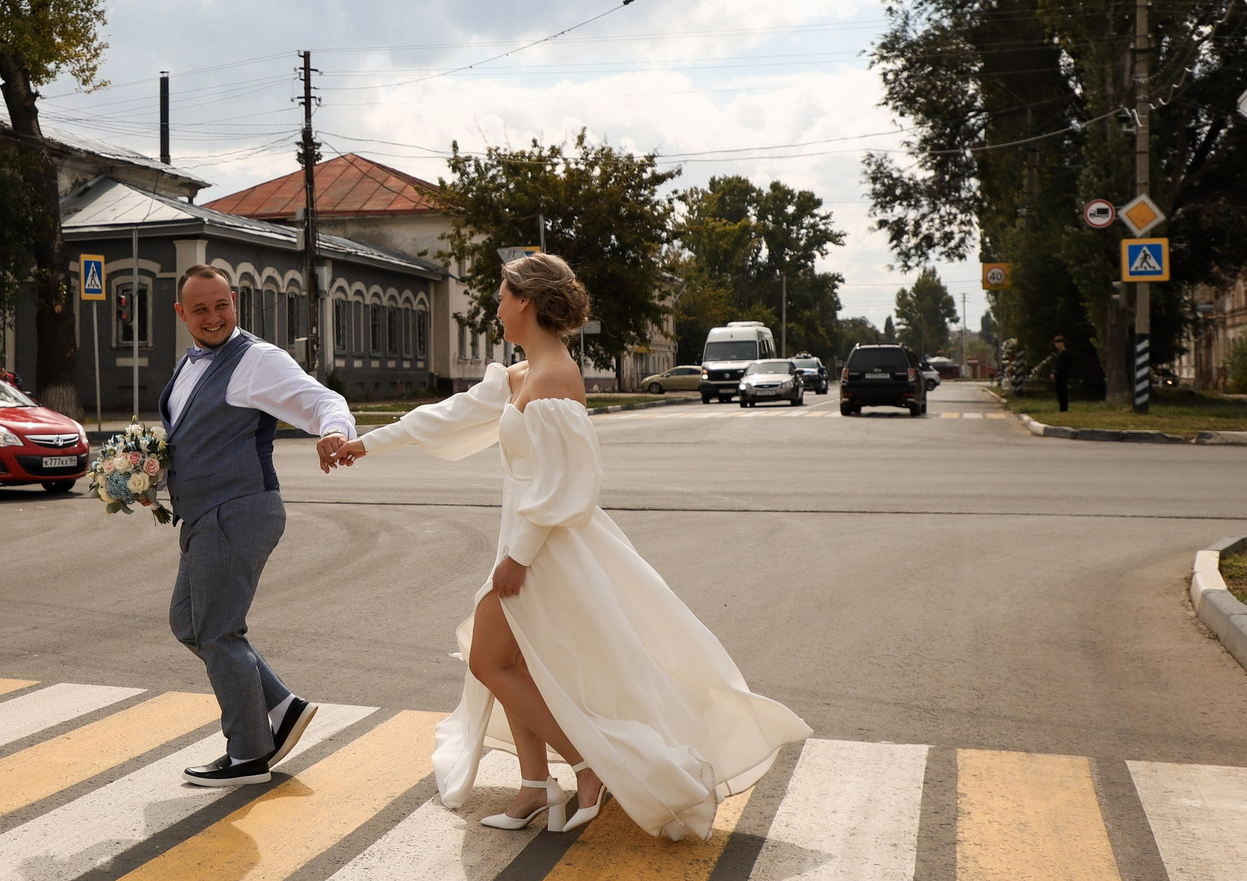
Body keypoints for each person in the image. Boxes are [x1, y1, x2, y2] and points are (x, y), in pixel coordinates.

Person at [334, 253, 809, 838]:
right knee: (508, 663)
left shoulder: (555, 378)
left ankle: (589, 765)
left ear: (526, 302)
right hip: (526, 545)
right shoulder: (521, 374)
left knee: (489, 660)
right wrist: (363, 445)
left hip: (544, 552)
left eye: (503, 295)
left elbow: (572, 482)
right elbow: (443, 418)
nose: (496, 306)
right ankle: (537, 785)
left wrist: (520, 557)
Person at [160, 262, 357, 786]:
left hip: (239, 510)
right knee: (189, 623)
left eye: (221, 304)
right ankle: (281, 706)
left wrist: (334, 431)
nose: (213, 317)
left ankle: (248, 753)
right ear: (182, 314)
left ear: (235, 303)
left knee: (219, 630)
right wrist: (149, 475)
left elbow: (320, 400)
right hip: (206, 513)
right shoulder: (190, 364)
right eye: (200, 308)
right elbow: (192, 438)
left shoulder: (257, 359)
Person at [1052, 334, 1072, 412]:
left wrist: (1056, 373)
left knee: (1063, 392)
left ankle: (1064, 409)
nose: (1057, 344)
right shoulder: (1059, 353)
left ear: (1062, 343)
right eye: (1056, 343)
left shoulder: (1065, 353)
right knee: (1059, 393)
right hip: (1059, 376)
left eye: (1058, 342)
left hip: (1062, 376)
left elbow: (1062, 365)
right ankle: (1062, 408)